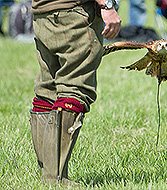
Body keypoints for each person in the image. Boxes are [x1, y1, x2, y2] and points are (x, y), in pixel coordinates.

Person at [29, 0, 121, 186]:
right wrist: (107, 5)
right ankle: (55, 177)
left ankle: (48, 174)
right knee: (75, 89)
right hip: (75, 14)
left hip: (42, 13)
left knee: (48, 90)